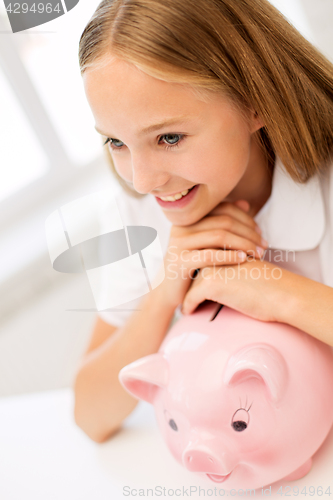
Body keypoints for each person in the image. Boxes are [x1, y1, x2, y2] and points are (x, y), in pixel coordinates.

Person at [73, 0, 333, 443]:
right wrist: (161, 295)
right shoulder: (134, 210)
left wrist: (279, 294)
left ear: (257, 101)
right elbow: (91, 415)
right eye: (116, 141)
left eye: (169, 137)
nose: (142, 179)